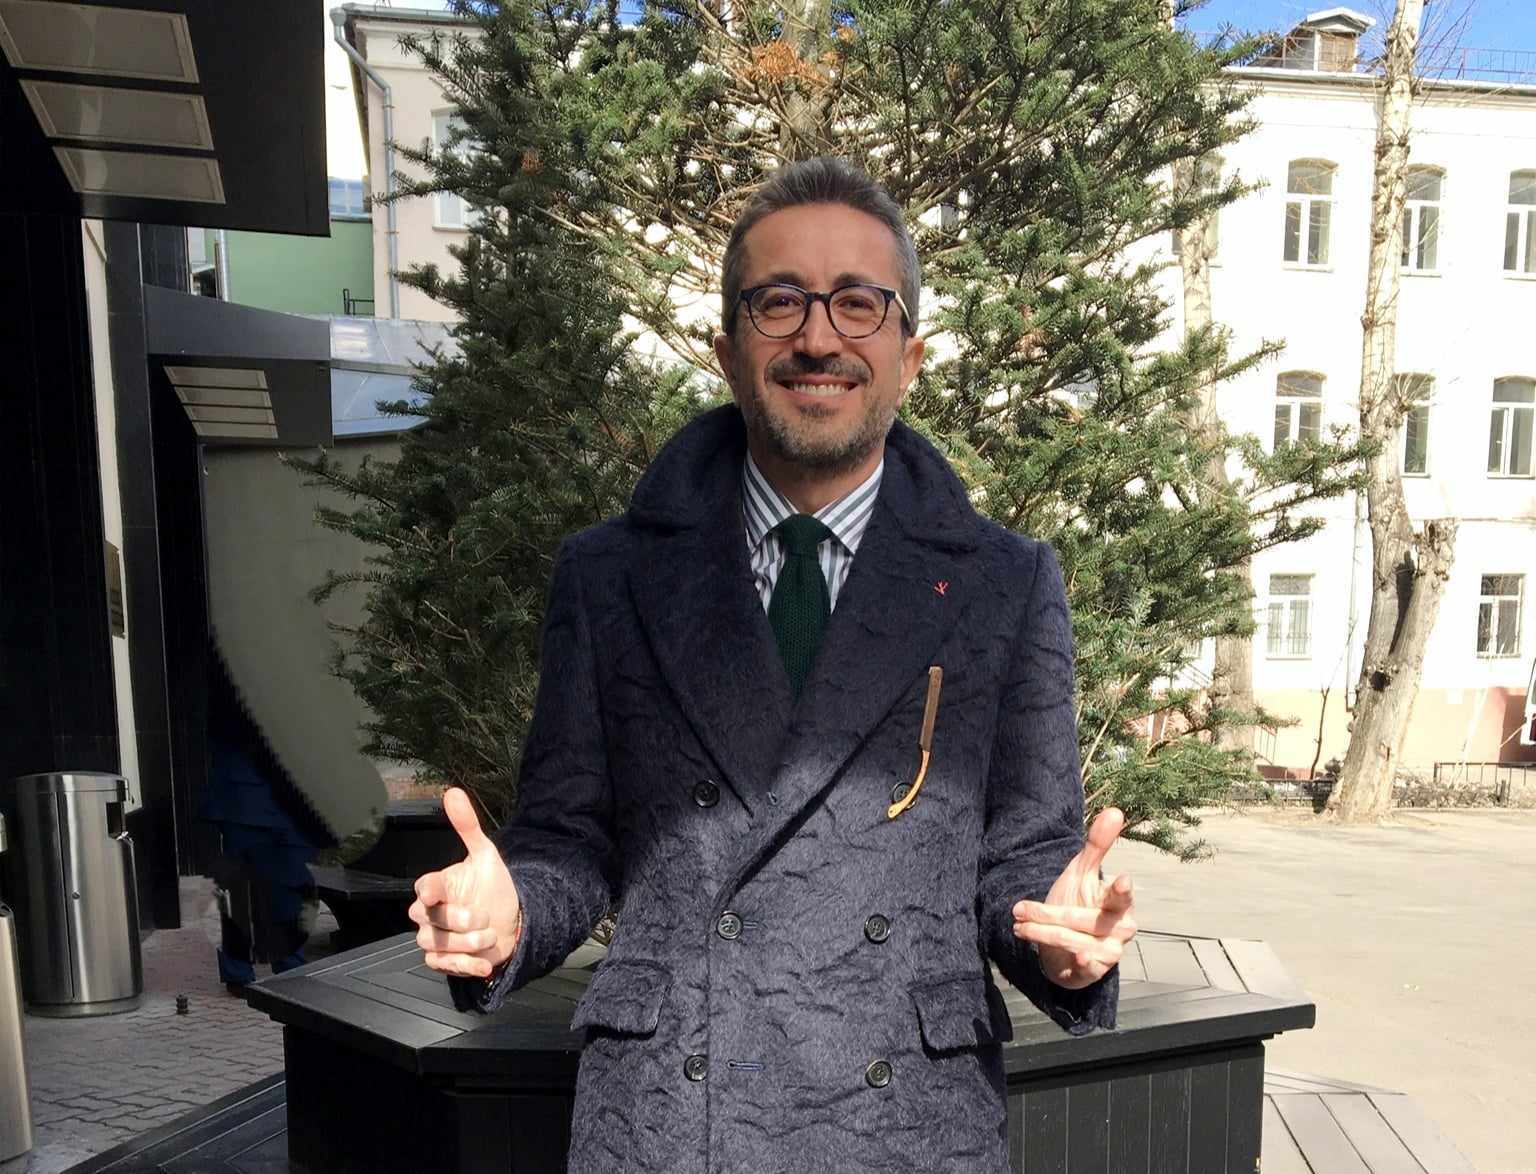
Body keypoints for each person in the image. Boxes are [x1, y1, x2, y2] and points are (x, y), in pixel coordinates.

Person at [409, 157, 1138, 1172]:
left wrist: (1060, 938)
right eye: (779, 301)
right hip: (671, 1119)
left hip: (909, 1125)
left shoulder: (1003, 582)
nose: (819, 337)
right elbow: (567, 838)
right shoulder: (611, 574)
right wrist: (512, 914)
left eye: (858, 302)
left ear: (909, 353)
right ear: (727, 349)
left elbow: (1026, 853)